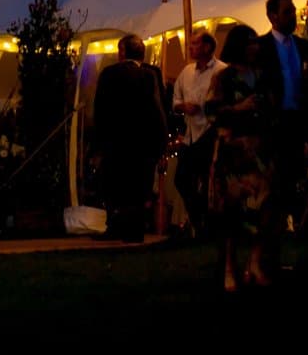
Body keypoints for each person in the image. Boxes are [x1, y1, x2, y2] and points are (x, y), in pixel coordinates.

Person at [207, 23, 273, 291]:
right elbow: (212, 111)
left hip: (260, 150)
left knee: (263, 209)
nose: (255, 47)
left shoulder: (263, 76)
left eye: (256, 43)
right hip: (234, 152)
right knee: (231, 213)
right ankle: (229, 268)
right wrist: (239, 108)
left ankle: (255, 264)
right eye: (250, 42)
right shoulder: (224, 77)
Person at [94, 35, 169, 242]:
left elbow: (100, 110)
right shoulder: (151, 74)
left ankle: (116, 226)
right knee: (139, 187)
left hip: (115, 142)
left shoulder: (110, 74)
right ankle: (134, 229)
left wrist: (98, 143)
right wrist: (162, 142)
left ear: (122, 52)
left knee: (115, 185)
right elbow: (159, 109)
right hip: (144, 142)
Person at [260, 0, 308, 241]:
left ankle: (299, 219)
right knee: (277, 174)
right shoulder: (262, 47)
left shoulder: (301, 45)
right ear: (272, 17)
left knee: (298, 170)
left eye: (293, 10)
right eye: (288, 12)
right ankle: (278, 222)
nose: (293, 15)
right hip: (275, 121)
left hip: (298, 118)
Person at [171, 30, 225, 237]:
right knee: (182, 179)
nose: (190, 47)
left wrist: (206, 107)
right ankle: (200, 219)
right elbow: (175, 101)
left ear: (207, 47)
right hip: (190, 134)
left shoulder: (221, 71)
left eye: (195, 44)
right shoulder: (186, 72)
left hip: (210, 133)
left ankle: (206, 226)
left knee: (206, 179)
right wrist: (183, 106)